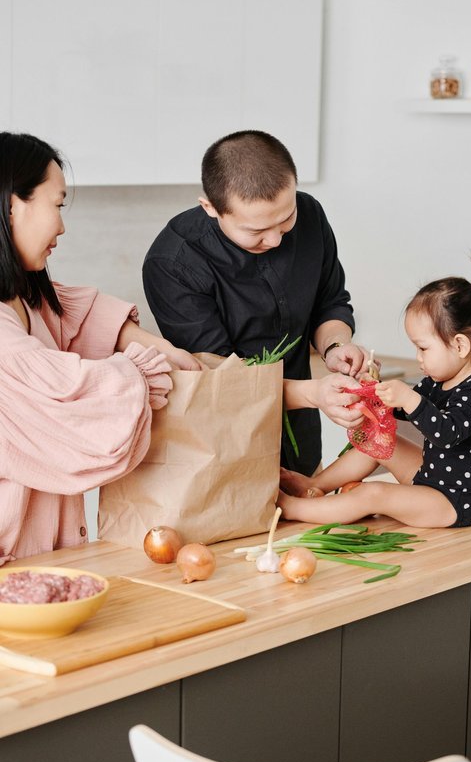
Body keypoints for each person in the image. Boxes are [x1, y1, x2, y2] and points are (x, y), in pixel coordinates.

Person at [0, 131, 202, 566]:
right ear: (13, 204)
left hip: (38, 556)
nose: (62, 225)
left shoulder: (25, 293)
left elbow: (74, 314)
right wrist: (142, 373)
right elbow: (61, 388)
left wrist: (154, 345)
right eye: (57, 205)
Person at [143, 130, 370, 475]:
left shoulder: (309, 214)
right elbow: (220, 377)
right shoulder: (173, 263)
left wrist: (336, 346)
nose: (277, 239)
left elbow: (330, 302)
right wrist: (314, 395)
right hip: (222, 442)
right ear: (210, 208)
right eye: (256, 232)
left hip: (302, 432)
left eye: (285, 219)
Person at [279, 255, 471, 529]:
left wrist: (409, 398)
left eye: (423, 348)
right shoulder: (441, 377)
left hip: (455, 499)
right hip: (432, 476)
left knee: (374, 494)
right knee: (380, 443)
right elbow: (407, 411)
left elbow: (447, 433)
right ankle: (315, 485)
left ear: (460, 346)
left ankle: (293, 508)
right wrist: (375, 392)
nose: (418, 358)